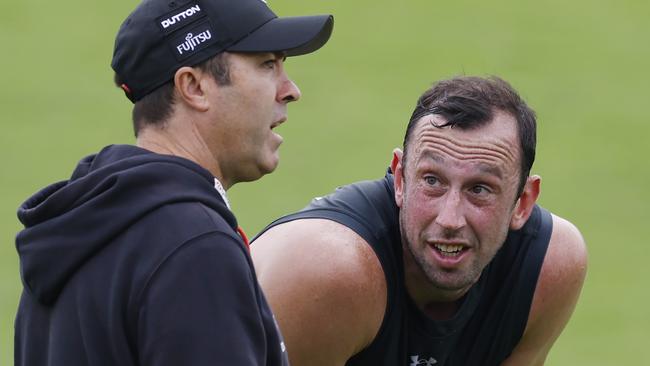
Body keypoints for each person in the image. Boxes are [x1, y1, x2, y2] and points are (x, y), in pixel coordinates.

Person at [14, 0, 333, 365]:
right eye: (267, 64)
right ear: (194, 86)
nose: (290, 89)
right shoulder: (194, 247)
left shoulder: (78, 229)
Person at [252, 76, 588, 365]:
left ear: (523, 202)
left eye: (480, 189)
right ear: (400, 179)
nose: (450, 218)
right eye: (432, 181)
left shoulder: (548, 266)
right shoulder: (330, 273)